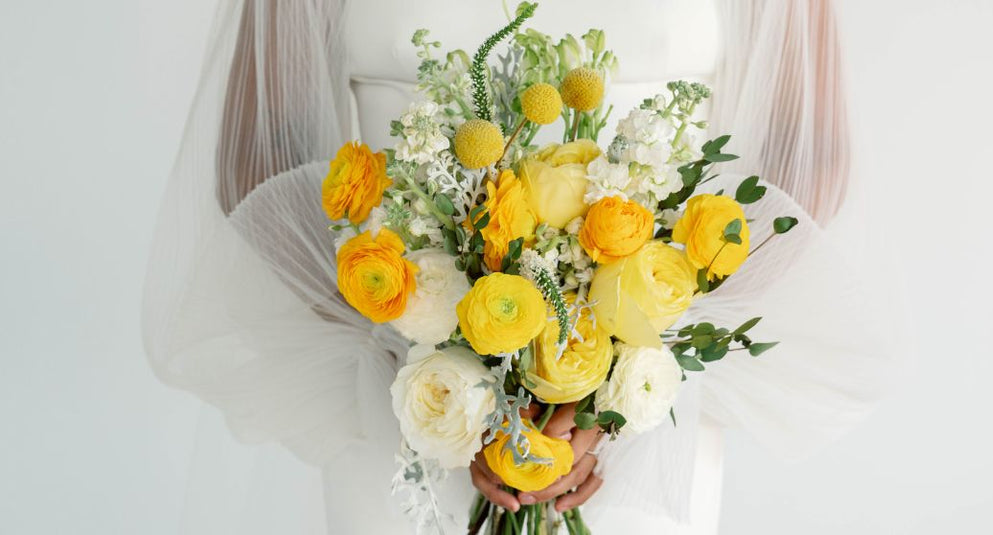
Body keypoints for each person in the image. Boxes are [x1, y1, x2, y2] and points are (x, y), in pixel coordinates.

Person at [143, 0, 895, 533]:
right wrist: (449, 367)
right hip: (404, 402)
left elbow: (808, 158)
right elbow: (260, 158)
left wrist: (613, 375)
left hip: (645, 418)